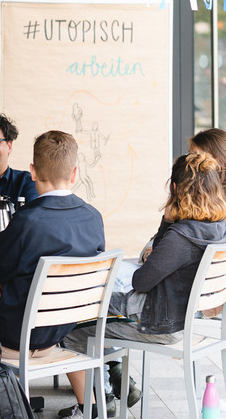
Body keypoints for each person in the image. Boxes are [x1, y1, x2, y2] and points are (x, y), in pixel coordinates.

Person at [62, 152, 226, 418]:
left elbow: (141, 280)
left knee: (72, 321)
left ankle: (96, 403)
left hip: (160, 324)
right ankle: (115, 379)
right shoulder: (219, 228)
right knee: (102, 309)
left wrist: (165, 221)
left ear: (175, 189)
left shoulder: (181, 236)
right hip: (186, 320)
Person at [0, 131, 105, 417]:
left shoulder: (28, 222)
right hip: (59, 332)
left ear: (33, 172)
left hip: (13, 339)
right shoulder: (93, 217)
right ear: (75, 173)